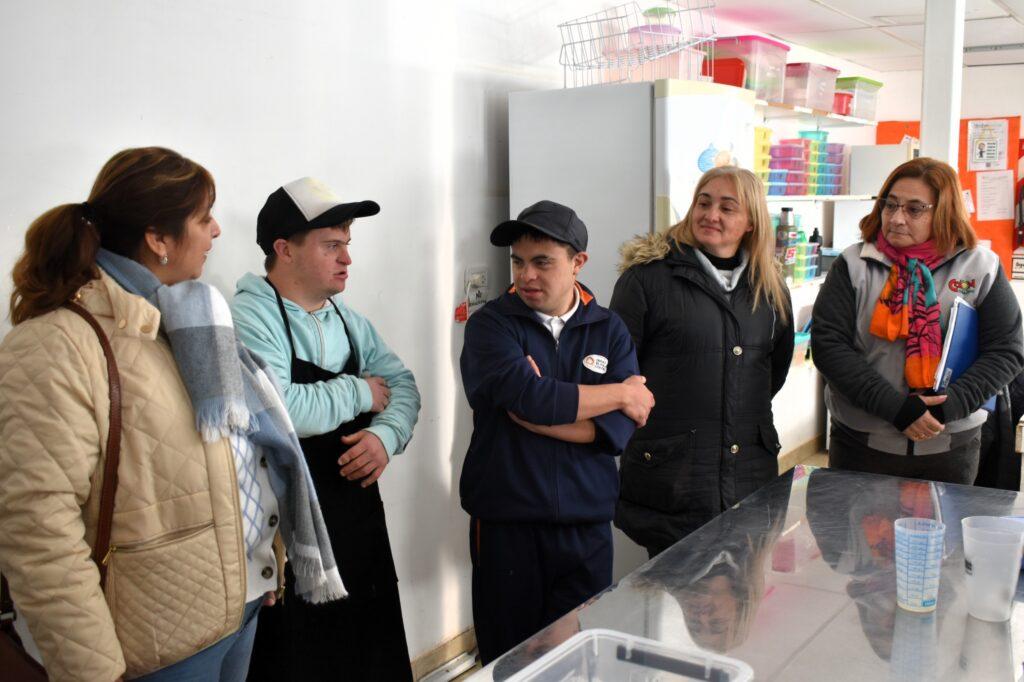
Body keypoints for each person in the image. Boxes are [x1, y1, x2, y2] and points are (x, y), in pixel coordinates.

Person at [0, 148, 342, 682]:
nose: (216, 231)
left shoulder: (190, 319)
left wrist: (259, 562)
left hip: (236, 611)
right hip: (153, 650)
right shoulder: (57, 344)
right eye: (204, 218)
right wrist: (94, 671)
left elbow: (239, 452)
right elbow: (37, 531)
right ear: (159, 239)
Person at [230, 177, 420, 681]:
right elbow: (281, 410)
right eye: (332, 245)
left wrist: (384, 437)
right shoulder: (250, 316)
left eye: (347, 244)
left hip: (359, 528)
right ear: (284, 249)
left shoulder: (348, 320)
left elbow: (403, 385)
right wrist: (360, 392)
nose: (347, 259)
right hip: (290, 539)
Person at [459, 200, 653, 664]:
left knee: (579, 660)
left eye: (542, 262)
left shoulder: (609, 329)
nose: (526, 275)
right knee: (510, 661)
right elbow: (530, 399)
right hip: (508, 524)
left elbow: (616, 431)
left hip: (586, 526)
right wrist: (619, 393)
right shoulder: (491, 326)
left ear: (577, 262)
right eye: (518, 262)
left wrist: (548, 410)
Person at [610, 166, 794, 558]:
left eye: (727, 208)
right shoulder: (646, 279)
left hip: (748, 469)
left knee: (741, 585)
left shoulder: (769, 287)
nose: (711, 215)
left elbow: (771, 373)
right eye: (703, 203)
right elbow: (619, 373)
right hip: (674, 475)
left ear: (750, 222)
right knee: (669, 587)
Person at [812, 157, 1024, 484]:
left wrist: (944, 409)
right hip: (862, 442)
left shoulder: (980, 267)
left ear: (944, 212)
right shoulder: (854, 264)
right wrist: (897, 409)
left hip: (950, 445)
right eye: (890, 205)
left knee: (946, 521)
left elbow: (1007, 351)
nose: (896, 218)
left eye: (914, 209)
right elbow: (829, 347)